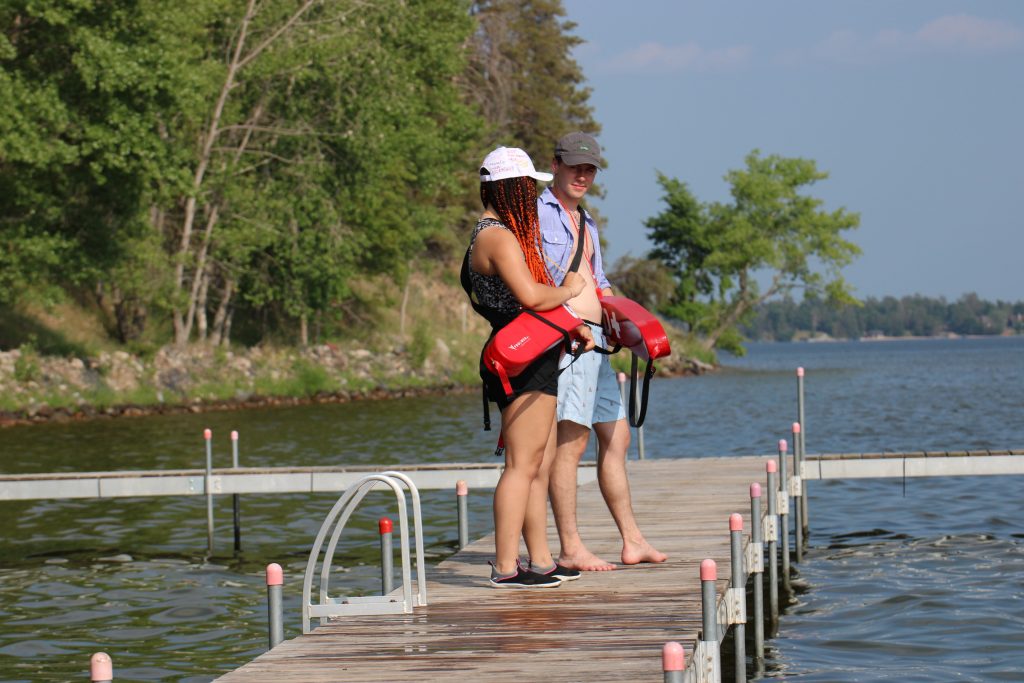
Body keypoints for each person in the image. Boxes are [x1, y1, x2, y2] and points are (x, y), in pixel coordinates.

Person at [467, 146, 595, 588]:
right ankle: (505, 567)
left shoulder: (499, 232)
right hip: (518, 357)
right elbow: (532, 298)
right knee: (522, 465)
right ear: (513, 189)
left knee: (536, 463)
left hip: (533, 349)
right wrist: (570, 290)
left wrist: (567, 326)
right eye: (529, 187)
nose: (534, 195)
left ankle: (540, 560)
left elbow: (532, 304)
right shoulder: (496, 236)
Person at [538, 132, 668, 571]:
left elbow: (599, 281)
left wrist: (626, 324)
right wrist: (571, 322)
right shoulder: (539, 215)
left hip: (599, 344)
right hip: (567, 343)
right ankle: (571, 547)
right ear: (554, 164)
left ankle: (632, 541)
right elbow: (533, 282)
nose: (582, 175)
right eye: (575, 166)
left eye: (589, 169)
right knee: (570, 445)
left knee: (618, 436)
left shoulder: (587, 221)